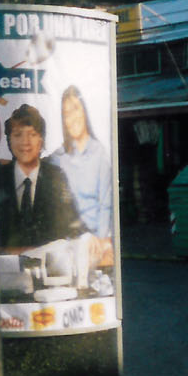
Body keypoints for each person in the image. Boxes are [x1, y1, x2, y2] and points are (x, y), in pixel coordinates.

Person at [0, 103, 86, 250]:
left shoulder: (56, 177)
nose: (25, 142)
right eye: (18, 134)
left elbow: (74, 227)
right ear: (9, 140)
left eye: (32, 134)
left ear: (41, 140)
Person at [48, 85, 115, 266]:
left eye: (75, 109)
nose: (72, 117)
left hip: (94, 242)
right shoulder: (58, 158)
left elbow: (105, 205)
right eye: (66, 113)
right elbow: (36, 166)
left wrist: (100, 241)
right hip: (65, 242)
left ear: (85, 111)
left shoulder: (100, 154)